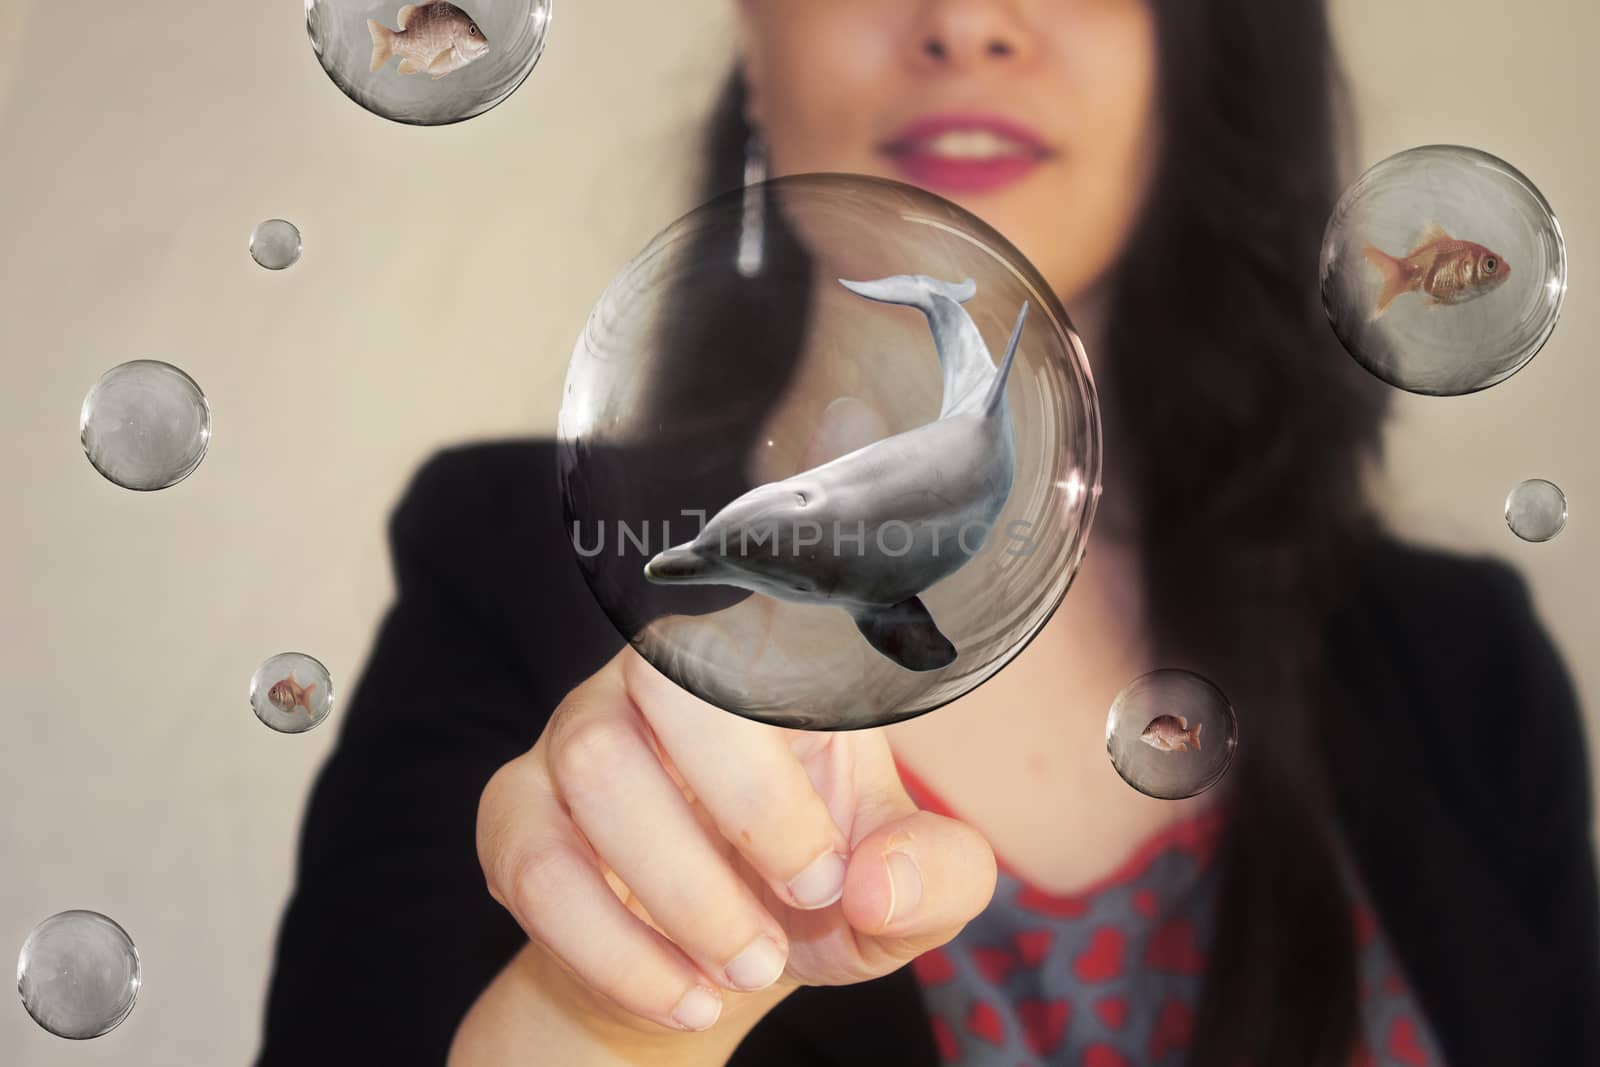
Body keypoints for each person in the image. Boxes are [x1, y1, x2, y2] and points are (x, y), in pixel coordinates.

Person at [256, 2, 1600, 1065]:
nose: (966, 17)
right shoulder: (503, 565)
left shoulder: (1461, 662)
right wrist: (600, 1014)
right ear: (754, 39)